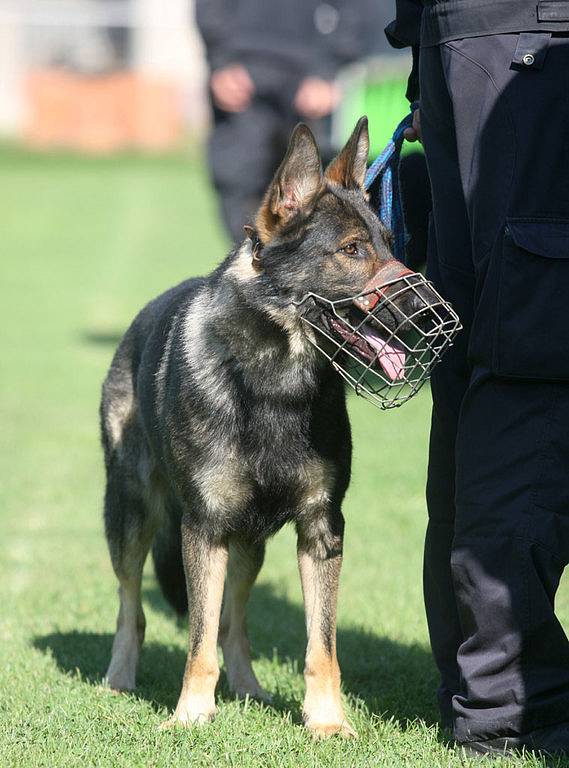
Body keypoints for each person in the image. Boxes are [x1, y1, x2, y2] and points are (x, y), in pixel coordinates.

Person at [386, 0, 569, 758]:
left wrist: (420, 59)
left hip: (467, 38)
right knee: (529, 356)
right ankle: (514, 703)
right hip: (530, 40)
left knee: (478, 358)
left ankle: (482, 681)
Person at [196, 0, 378, 243]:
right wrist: (221, 61)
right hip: (242, 73)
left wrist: (328, 69)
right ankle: (255, 269)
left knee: (314, 191)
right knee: (238, 181)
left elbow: (353, 8)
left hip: (307, 76)